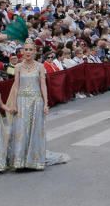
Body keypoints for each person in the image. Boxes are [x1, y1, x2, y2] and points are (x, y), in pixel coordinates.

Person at [6, 39, 68, 171]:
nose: (28, 52)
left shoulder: (40, 67)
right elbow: (16, 86)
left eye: (30, 50)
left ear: (35, 52)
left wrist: (46, 103)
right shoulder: (18, 67)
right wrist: (14, 103)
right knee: (21, 131)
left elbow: (43, 85)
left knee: (35, 130)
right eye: (26, 49)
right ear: (22, 51)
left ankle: (33, 160)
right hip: (22, 101)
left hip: (36, 101)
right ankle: (20, 161)